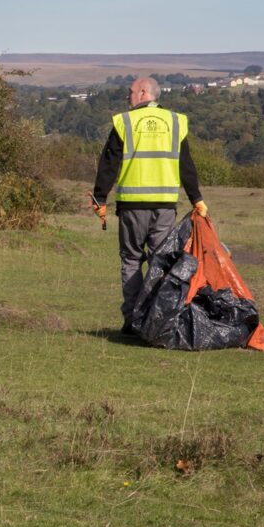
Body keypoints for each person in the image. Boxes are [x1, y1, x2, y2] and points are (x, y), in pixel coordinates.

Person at [92, 76, 207, 335]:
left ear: (143, 92)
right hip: (165, 206)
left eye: (130, 92)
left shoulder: (125, 122)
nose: (127, 97)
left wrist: (100, 198)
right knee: (160, 262)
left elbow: (109, 162)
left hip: (133, 206)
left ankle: (132, 319)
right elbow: (185, 163)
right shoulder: (175, 122)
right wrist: (196, 198)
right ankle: (155, 320)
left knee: (131, 260)